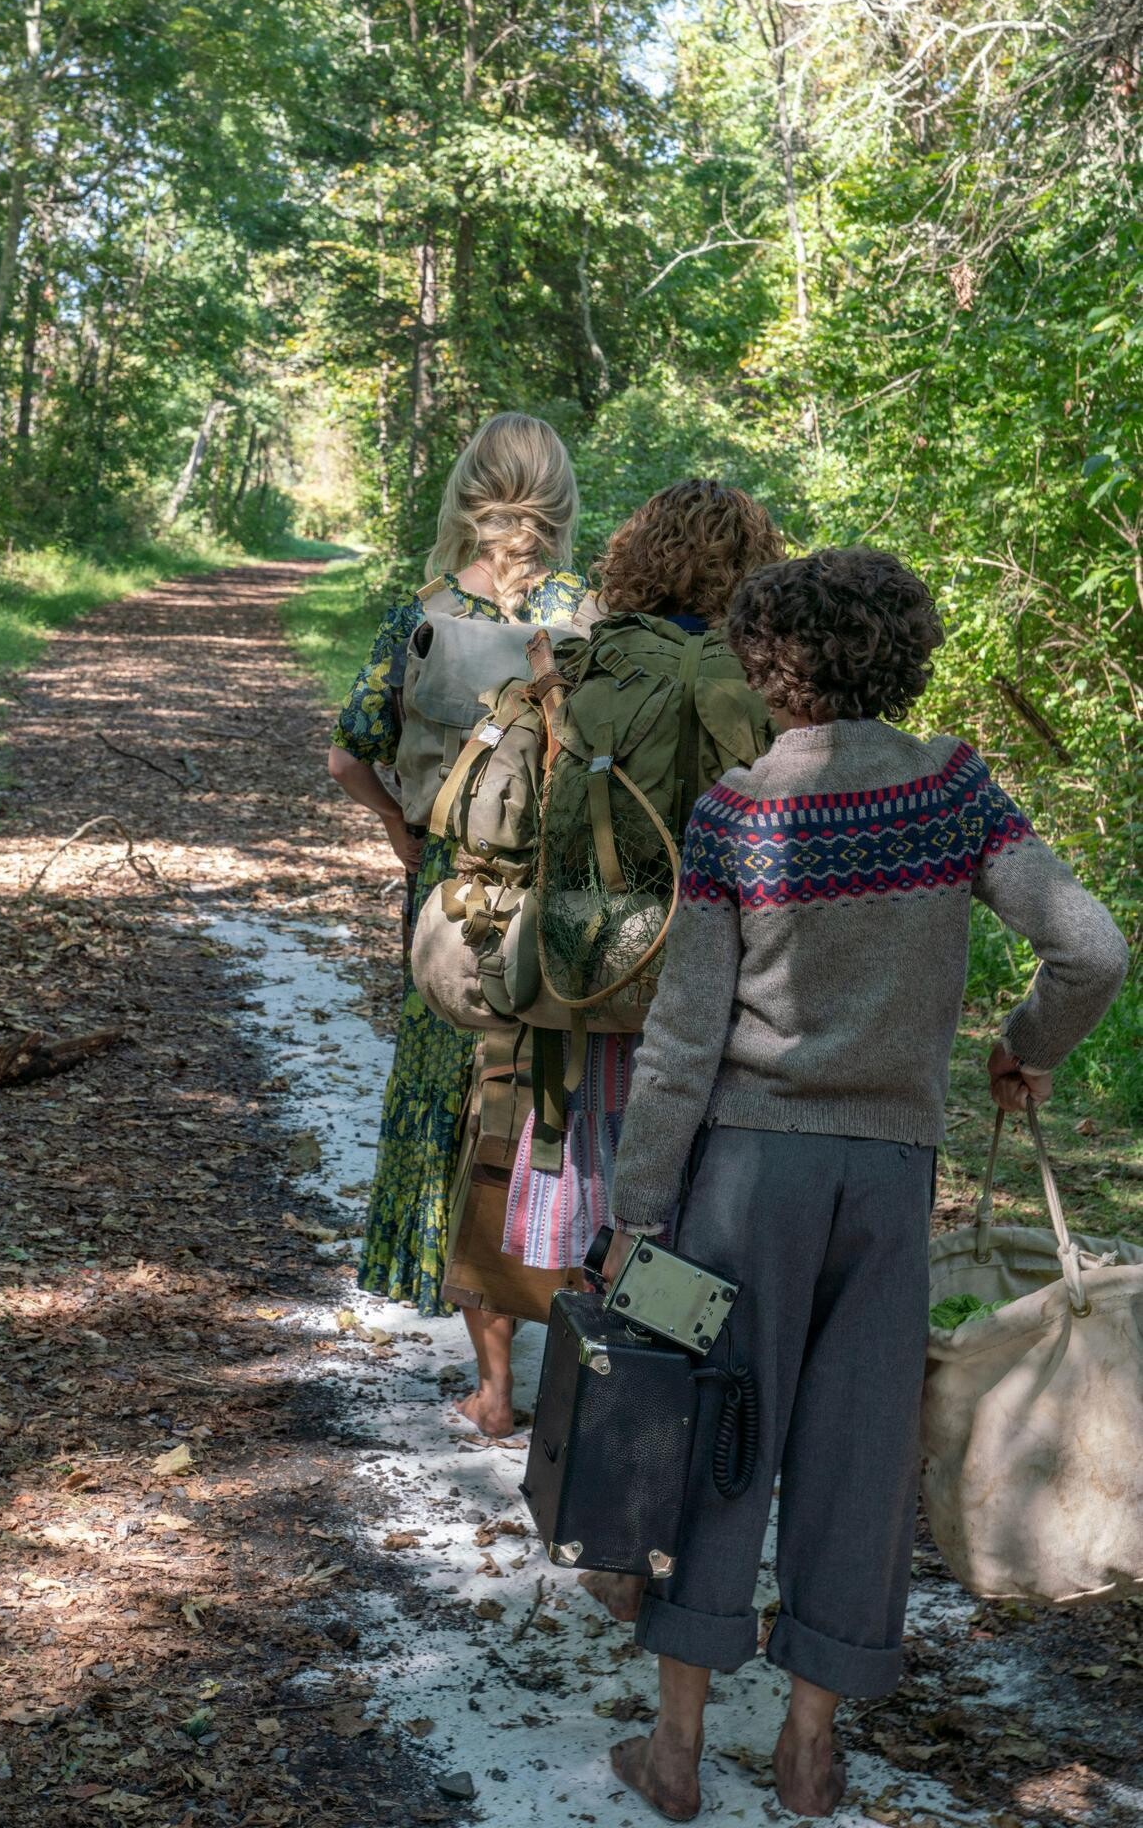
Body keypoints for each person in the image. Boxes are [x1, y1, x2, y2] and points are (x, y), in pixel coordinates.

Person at [597, 547, 1128, 1822]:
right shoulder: (950, 788)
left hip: (739, 1176)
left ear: (763, 664)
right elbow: (1090, 948)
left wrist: (632, 1210)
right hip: (888, 1176)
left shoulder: (734, 811)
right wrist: (1025, 1045)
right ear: (902, 654)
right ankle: (807, 1748)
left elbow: (681, 1036)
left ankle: (674, 1747)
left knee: (717, 1434)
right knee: (858, 1452)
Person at [327, 412, 589, 1432]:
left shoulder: (423, 615)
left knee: (460, 1108)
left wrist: (402, 830)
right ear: (558, 501)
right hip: (565, 899)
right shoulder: (590, 618)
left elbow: (349, 754)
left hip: (451, 898)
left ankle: (493, 1389)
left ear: (467, 494)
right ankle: (577, 1369)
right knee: (554, 1113)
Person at [502, 478, 780, 1274]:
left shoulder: (591, 666)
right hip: (736, 981)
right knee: (711, 1188)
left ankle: (597, 1325)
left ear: (640, 557)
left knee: (605, 1179)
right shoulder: (774, 678)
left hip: (603, 967)